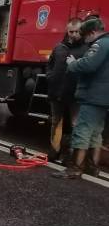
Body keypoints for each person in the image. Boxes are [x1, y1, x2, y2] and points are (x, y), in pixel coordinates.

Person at [54, 17, 109, 179]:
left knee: (82, 131)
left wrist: (72, 63)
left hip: (92, 95)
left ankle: (75, 168)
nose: (85, 40)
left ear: (92, 32)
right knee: (95, 133)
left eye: (86, 36)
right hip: (103, 97)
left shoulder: (100, 44)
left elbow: (88, 65)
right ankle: (92, 167)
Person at [46, 18, 87, 161]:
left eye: (77, 31)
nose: (73, 34)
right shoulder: (59, 47)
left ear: (81, 31)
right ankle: (54, 151)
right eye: (71, 31)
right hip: (57, 92)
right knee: (56, 122)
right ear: (67, 31)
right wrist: (50, 76)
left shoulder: (86, 49)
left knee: (75, 124)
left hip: (76, 94)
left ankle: (70, 155)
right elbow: (50, 64)